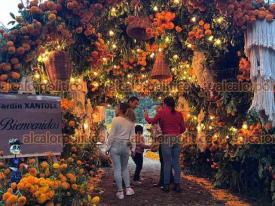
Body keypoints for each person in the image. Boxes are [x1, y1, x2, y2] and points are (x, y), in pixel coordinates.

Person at [144, 96, 185, 193]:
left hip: (166, 138)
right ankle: (177, 185)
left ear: (165, 104)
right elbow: (183, 128)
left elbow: (151, 121)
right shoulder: (179, 114)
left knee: (167, 163)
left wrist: (145, 115)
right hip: (176, 139)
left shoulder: (161, 112)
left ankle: (166, 186)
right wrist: (176, 133)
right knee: (176, 163)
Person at [106, 103, 136, 199]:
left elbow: (111, 135)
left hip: (115, 145)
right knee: (124, 168)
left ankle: (120, 192)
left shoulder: (115, 120)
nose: (115, 109)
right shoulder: (131, 121)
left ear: (120, 109)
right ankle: (128, 189)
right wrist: (133, 149)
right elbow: (133, 138)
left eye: (116, 107)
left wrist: (107, 148)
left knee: (117, 169)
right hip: (126, 146)